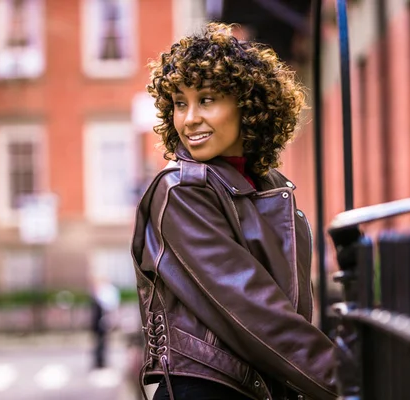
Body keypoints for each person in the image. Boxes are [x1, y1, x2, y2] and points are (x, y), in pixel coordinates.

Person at [131, 23, 337, 400]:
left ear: (247, 104)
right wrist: (346, 382)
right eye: (180, 102)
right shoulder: (181, 191)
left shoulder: (269, 185)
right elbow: (255, 310)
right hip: (209, 390)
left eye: (206, 100)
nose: (189, 118)